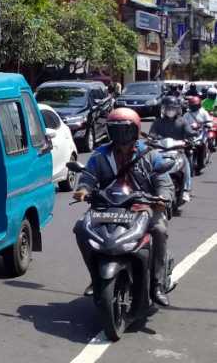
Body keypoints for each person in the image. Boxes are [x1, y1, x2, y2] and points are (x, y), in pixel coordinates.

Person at [73, 108, 174, 306]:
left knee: (159, 230)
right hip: (107, 206)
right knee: (80, 228)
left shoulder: (150, 153)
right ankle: (95, 277)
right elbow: (88, 177)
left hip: (143, 206)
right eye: (115, 130)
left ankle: (157, 284)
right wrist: (83, 190)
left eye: (125, 131)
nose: (120, 136)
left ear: (135, 131)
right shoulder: (100, 154)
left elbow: (163, 180)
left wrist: (162, 198)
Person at [150, 95, 194, 203]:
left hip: (178, 150)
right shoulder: (158, 122)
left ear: (178, 109)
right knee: (150, 166)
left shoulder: (182, 121)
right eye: (168, 108)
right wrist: (151, 138)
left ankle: (186, 190)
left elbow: (189, 132)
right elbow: (152, 134)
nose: (170, 111)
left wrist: (191, 137)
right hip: (160, 151)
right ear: (163, 109)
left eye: (173, 108)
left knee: (186, 166)